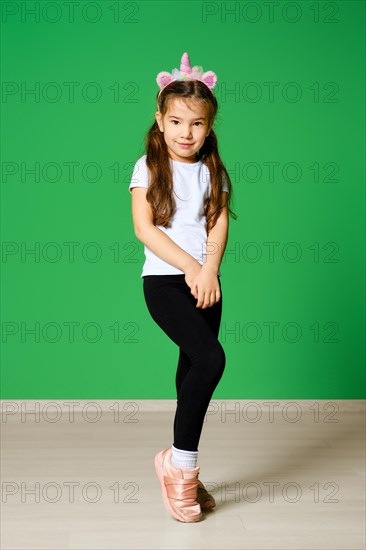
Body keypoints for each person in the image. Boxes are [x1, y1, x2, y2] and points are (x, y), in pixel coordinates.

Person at [129, 52, 237, 523]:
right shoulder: (147, 167)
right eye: (175, 121)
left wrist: (209, 270)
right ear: (159, 119)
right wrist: (192, 267)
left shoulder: (214, 170)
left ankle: (180, 460)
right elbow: (145, 229)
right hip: (166, 283)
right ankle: (182, 467)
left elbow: (217, 224)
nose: (185, 133)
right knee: (212, 358)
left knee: (189, 377)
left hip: (205, 283)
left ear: (208, 127)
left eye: (196, 124)